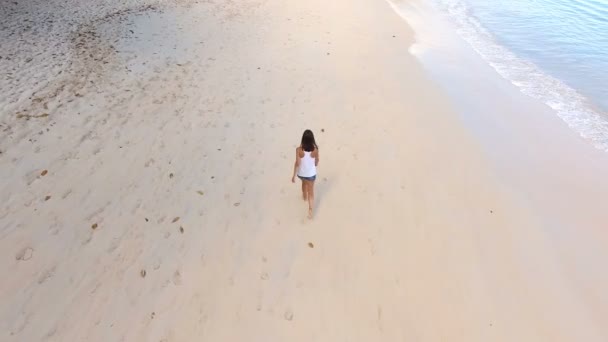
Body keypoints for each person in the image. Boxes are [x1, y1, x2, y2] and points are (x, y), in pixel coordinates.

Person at [291, 129, 319, 218]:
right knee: (311, 191)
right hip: (311, 174)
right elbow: (316, 163)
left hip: (301, 174)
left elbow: (297, 163)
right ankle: (310, 209)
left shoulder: (298, 150)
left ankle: (304, 197)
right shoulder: (315, 150)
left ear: (303, 139)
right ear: (312, 139)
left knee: (303, 184)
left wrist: (293, 176)